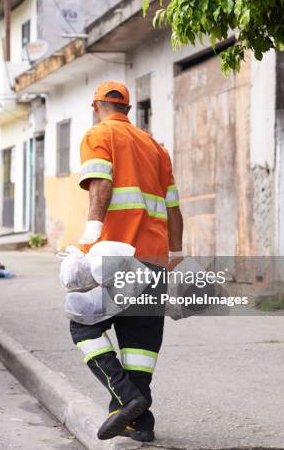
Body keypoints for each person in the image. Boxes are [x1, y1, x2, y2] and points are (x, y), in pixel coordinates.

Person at [71, 81, 184, 442]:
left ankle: (128, 397)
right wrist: (176, 252)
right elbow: (173, 208)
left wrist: (90, 233)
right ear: (129, 110)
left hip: (114, 258)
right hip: (154, 259)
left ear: (95, 106)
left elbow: (100, 185)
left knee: (83, 325)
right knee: (140, 344)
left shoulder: (98, 135)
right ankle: (140, 421)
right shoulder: (156, 148)